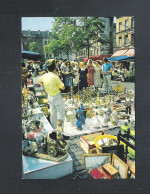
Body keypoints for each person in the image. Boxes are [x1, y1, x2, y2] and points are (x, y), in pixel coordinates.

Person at [39, 60, 66, 137]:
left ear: (47, 69)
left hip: (50, 96)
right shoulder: (55, 77)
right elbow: (63, 87)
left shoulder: (44, 76)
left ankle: (54, 130)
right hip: (56, 96)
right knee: (61, 115)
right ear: (54, 68)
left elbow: (40, 80)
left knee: (53, 114)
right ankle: (60, 133)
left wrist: (44, 85)